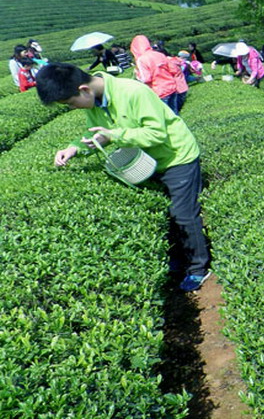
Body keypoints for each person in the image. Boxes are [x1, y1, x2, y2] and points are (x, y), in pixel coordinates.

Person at [35, 63, 211, 292]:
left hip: (176, 157)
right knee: (164, 213)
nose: (72, 108)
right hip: (146, 160)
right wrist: (75, 148)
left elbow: (156, 133)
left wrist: (114, 135)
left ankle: (198, 268)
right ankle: (176, 261)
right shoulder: (95, 102)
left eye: (70, 103)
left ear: (84, 90)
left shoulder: (133, 92)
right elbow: (96, 134)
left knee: (183, 214)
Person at [130, 35, 188, 115]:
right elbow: (173, 69)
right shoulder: (159, 54)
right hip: (171, 87)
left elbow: (146, 79)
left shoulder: (141, 59)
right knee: (175, 114)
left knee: (165, 116)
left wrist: (138, 75)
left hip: (159, 91)